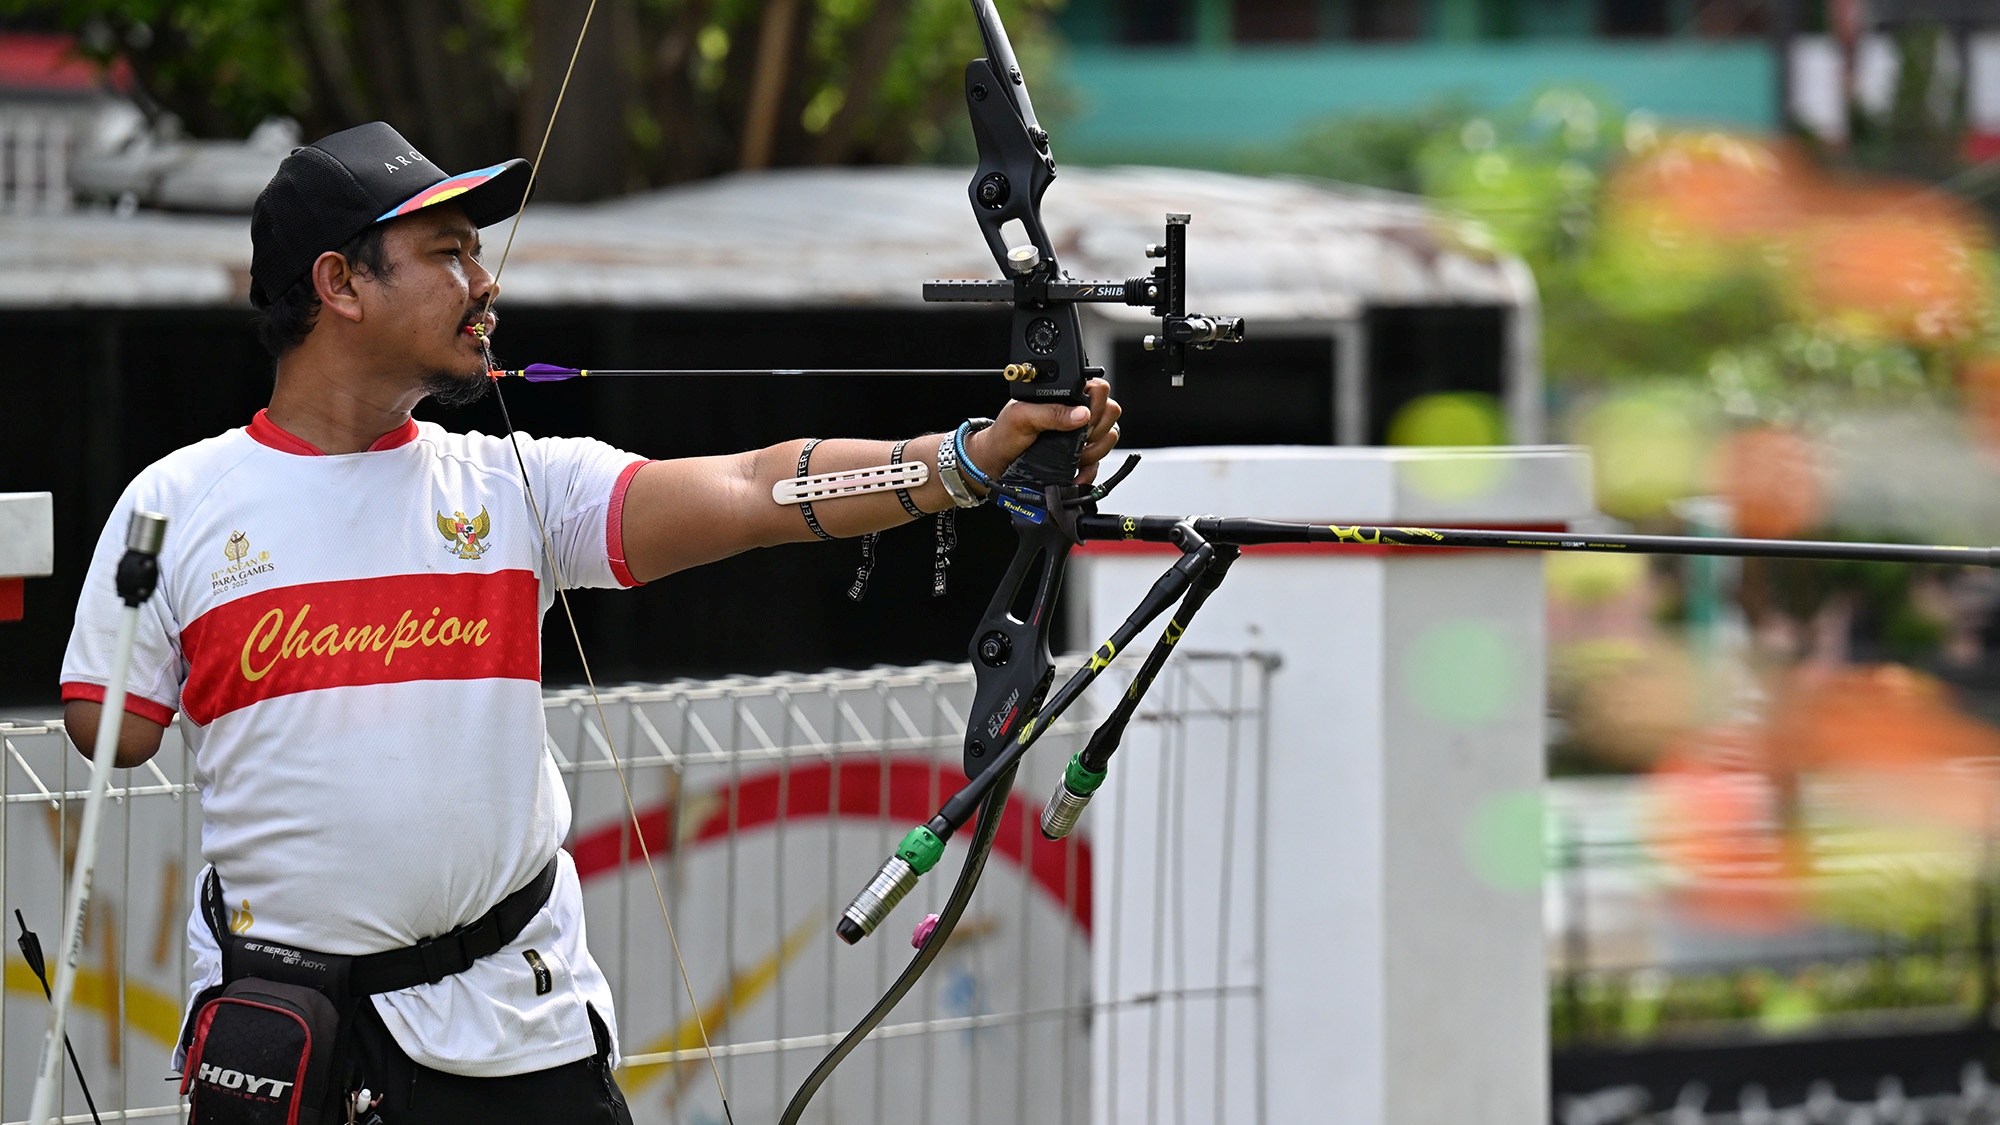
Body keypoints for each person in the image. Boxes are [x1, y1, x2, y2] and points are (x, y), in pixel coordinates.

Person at [58, 121, 1120, 1123]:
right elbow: (116, 726)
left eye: (478, 253)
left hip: (519, 1030)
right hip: (288, 1039)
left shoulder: (514, 484)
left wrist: (966, 461)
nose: (485, 284)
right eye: (447, 254)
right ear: (339, 282)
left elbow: (754, 491)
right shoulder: (177, 504)